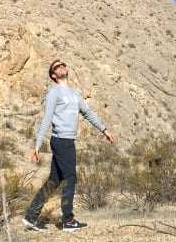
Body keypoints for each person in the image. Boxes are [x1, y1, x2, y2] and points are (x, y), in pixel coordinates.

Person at [22, 59, 116, 232]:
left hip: (68, 141)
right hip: (61, 141)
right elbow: (46, 119)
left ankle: (30, 217)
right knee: (70, 177)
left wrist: (105, 130)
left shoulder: (74, 94)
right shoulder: (54, 93)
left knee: (54, 180)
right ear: (53, 75)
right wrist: (37, 145)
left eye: (63, 64)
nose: (62, 67)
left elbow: (88, 113)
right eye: (57, 67)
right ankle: (68, 220)